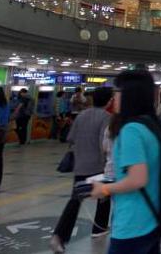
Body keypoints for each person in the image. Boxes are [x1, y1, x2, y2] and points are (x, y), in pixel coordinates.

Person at [90, 70, 161, 254]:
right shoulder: (151, 126)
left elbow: (137, 179)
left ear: (129, 95)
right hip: (152, 220)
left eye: (117, 92)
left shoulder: (131, 130)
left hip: (131, 224)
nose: (113, 97)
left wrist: (104, 189)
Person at [50, 87, 113, 253]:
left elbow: (70, 138)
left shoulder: (81, 115)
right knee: (104, 197)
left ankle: (59, 236)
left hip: (80, 165)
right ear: (108, 101)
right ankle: (99, 228)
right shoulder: (107, 117)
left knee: (75, 201)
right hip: (98, 166)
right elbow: (104, 143)